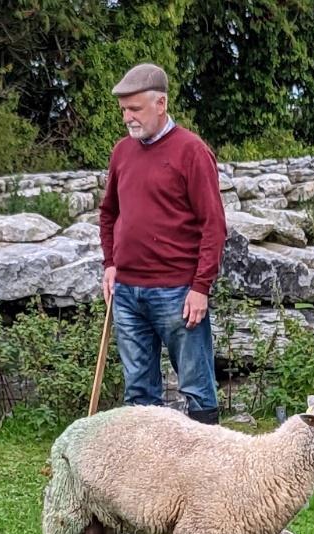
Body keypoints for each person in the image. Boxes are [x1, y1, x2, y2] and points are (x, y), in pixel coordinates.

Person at [99, 63, 227, 424]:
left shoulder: (191, 151)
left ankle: (210, 469)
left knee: (196, 386)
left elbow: (213, 225)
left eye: (135, 109)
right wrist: (110, 264)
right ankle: (146, 476)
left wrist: (200, 287)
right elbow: (108, 213)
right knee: (138, 391)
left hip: (177, 293)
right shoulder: (122, 152)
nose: (128, 117)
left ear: (161, 103)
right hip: (126, 291)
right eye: (124, 110)